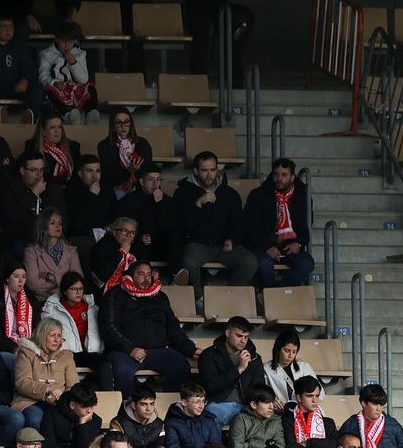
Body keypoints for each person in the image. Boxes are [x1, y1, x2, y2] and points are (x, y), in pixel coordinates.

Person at [101, 261, 196, 391]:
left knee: (181, 366)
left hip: (157, 350)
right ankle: (123, 409)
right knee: (122, 371)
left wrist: (191, 349)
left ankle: (170, 408)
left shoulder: (161, 297)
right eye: (141, 274)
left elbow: (173, 329)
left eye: (149, 274)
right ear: (130, 276)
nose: (146, 279)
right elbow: (109, 327)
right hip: (124, 352)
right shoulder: (115, 294)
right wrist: (130, 349)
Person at [174, 151, 257, 293]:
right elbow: (180, 227)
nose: (209, 174)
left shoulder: (230, 194)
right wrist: (197, 205)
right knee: (188, 260)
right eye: (204, 170)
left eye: (212, 170)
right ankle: (198, 300)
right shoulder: (183, 193)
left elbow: (238, 224)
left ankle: (227, 296)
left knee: (250, 262)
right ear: (196, 171)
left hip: (223, 247)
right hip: (197, 245)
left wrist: (232, 240)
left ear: (217, 169)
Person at [243, 157, 313, 287]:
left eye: (284, 175)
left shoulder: (302, 197)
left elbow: (305, 226)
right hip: (262, 246)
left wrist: (298, 244)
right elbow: (250, 227)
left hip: (288, 246)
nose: (279, 178)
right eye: (276, 174)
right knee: (264, 264)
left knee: (307, 263)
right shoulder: (258, 195)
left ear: (292, 178)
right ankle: (272, 296)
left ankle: (278, 293)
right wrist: (266, 247)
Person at [196, 318, 263, 428]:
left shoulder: (254, 357)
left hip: (247, 406)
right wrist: (239, 369)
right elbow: (211, 386)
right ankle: (215, 446)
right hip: (219, 405)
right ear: (228, 333)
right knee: (211, 415)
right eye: (239, 336)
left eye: (246, 337)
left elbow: (259, 387)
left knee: (272, 416)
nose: (243, 341)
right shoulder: (209, 355)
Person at [41, 272, 102, 381]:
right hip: (66, 354)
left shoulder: (91, 308)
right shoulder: (52, 309)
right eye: (74, 289)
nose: (78, 292)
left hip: (90, 353)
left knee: (105, 364)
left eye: (81, 289)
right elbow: (47, 335)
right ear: (64, 291)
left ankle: (109, 396)